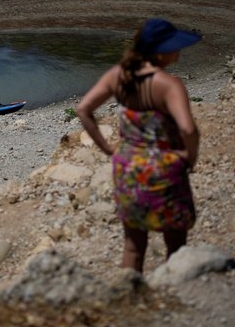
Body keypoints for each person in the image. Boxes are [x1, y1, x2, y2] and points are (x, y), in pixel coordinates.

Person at [76, 18, 202, 273]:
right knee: (175, 245)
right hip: (164, 168)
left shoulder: (118, 75)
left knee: (133, 247)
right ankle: (173, 296)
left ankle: (128, 296)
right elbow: (188, 129)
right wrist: (189, 156)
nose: (178, 52)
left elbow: (83, 109)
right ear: (159, 51)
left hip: (128, 168)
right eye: (174, 47)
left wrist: (108, 148)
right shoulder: (169, 84)